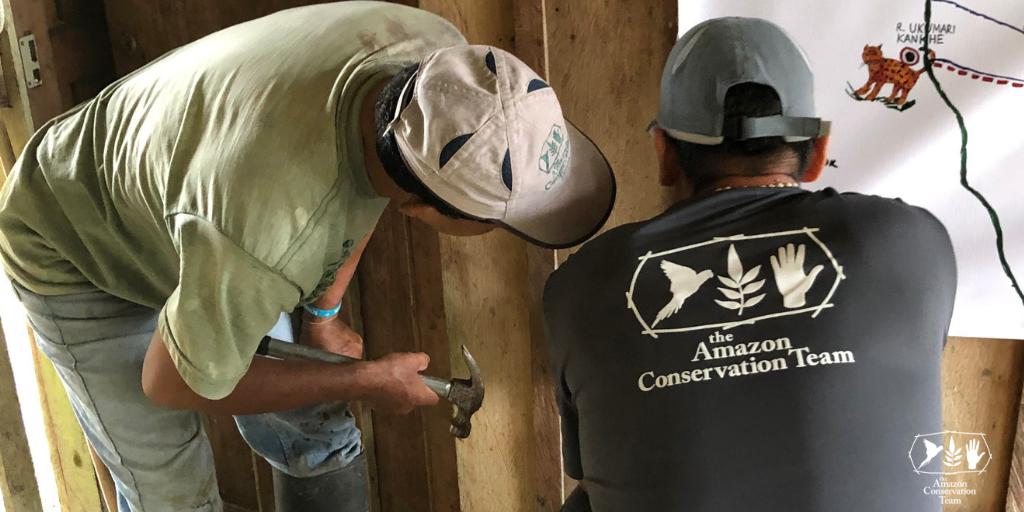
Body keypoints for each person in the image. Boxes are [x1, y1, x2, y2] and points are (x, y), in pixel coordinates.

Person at [0, 2, 615, 511]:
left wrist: (323, 317)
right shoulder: (267, 233)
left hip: (193, 201)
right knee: (170, 495)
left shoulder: (438, 64)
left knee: (312, 424)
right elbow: (170, 382)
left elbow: (368, 185)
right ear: (425, 211)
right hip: (71, 244)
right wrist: (366, 381)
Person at [543, 17, 955, 512]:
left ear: (664, 155)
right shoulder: (911, 244)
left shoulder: (581, 285)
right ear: (818, 151)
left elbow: (596, 474)